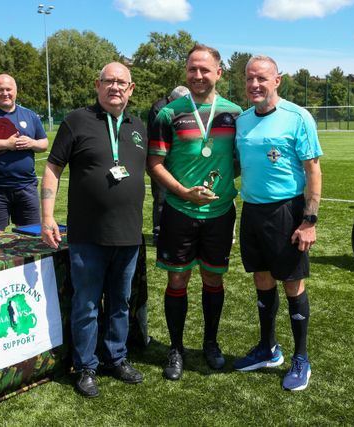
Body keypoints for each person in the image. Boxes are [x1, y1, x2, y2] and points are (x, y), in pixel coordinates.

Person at [41, 62, 146, 398]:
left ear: (131, 89)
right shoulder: (76, 121)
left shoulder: (138, 126)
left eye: (121, 82)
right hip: (87, 235)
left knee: (120, 301)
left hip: (128, 234)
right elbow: (52, 168)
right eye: (108, 81)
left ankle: (116, 357)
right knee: (86, 303)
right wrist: (47, 216)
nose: (115, 87)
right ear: (97, 85)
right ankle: (86, 366)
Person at [148, 44, 242, 380]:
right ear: (185, 72)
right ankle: (175, 348)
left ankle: (211, 343)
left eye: (205, 69)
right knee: (178, 278)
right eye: (192, 69)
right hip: (178, 211)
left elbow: (241, 161)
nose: (198, 76)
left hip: (219, 213)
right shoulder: (168, 113)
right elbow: (154, 163)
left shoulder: (235, 114)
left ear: (219, 72)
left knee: (213, 278)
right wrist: (184, 192)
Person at [233, 55, 322, 392]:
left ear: (277, 80)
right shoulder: (242, 121)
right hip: (252, 211)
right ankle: (268, 349)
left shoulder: (297, 117)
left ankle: (301, 357)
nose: (255, 85)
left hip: (287, 212)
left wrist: (309, 221)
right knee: (262, 279)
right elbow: (241, 164)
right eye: (249, 79)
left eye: (262, 78)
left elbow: (313, 170)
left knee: (292, 283)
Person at [0, 74, 48, 234]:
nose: (5, 93)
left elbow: (44, 143)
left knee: (30, 236)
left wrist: (32, 143)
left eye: (8, 89)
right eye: (0, 90)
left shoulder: (30, 115)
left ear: (16, 91)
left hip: (26, 186)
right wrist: (7, 144)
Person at [147, 85, 190, 245]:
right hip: (160, 160)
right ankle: (158, 233)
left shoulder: (179, 106)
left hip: (175, 160)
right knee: (161, 197)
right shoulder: (159, 109)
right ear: (171, 99)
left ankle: (175, 231)